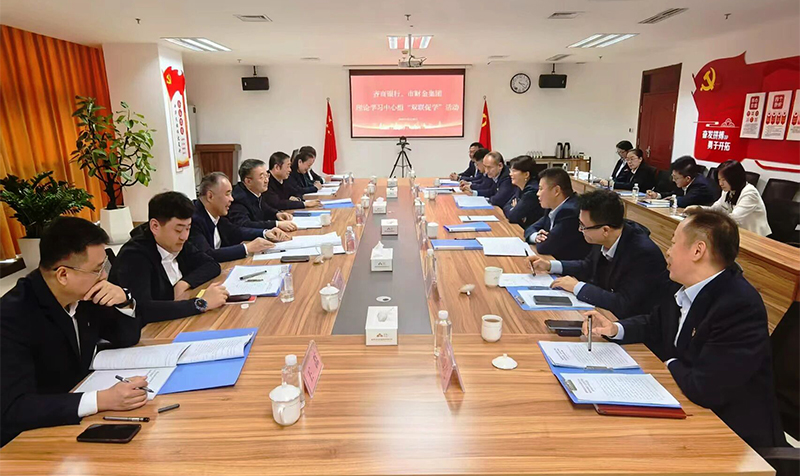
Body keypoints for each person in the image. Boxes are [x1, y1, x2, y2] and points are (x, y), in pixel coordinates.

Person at [583, 209, 784, 449]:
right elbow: (654, 324)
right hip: (686, 407)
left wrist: (669, 362)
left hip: (733, 436)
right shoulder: (679, 285)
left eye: (674, 242)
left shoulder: (738, 305)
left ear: (698, 251)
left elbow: (706, 388)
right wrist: (615, 328)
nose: (668, 251)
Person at [1, 217, 143, 446]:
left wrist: (124, 300)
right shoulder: (11, 317)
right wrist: (101, 400)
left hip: (80, 422)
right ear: (63, 275)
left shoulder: (83, 295)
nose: (104, 276)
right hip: (31, 440)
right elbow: (14, 408)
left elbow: (126, 336)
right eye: (97, 270)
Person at [528, 189, 670, 319]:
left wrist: (577, 287)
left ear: (605, 230)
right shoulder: (604, 237)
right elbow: (588, 266)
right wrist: (549, 265)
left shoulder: (643, 254)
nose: (579, 230)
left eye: (583, 226)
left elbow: (624, 303)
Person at [110, 192, 227, 325]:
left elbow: (211, 264)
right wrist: (201, 303)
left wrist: (184, 283)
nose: (184, 236)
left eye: (188, 228)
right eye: (178, 230)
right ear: (155, 226)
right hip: (149, 332)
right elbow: (143, 309)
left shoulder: (177, 243)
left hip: (175, 322)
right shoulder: (134, 256)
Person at [190, 172, 289, 262]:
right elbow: (207, 254)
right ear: (210, 196)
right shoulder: (192, 219)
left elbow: (236, 231)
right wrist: (247, 248)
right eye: (227, 194)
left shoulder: (218, 214)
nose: (232, 199)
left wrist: (265, 233)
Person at [524, 168, 592, 260]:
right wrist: (536, 236)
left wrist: (542, 239)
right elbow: (530, 228)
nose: (538, 193)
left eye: (541, 189)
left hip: (569, 266)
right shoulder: (552, 207)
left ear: (556, 191)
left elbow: (545, 247)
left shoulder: (570, 212)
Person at [693, 160, 771, 237]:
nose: (720, 183)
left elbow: (734, 219)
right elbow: (716, 208)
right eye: (719, 180)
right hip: (739, 232)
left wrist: (710, 218)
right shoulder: (728, 190)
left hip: (756, 236)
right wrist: (699, 209)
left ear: (734, 178)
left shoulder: (750, 193)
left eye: (724, 180)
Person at [230, 158, 298, 232]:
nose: (266, 180)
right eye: (262, 177)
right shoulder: (238, 199)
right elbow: (246, 224)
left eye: (267, 176)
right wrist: (276, 224)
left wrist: (277, 214)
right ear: (248, 181)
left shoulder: (255, 192)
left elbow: (264, 208)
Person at [646, 156, 715, 207]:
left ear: (687, 178)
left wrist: (668, 200)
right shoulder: (686, 182)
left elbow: (684, 202)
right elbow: (675, 194)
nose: (673, 180)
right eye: (673, 176)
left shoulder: (701, 186)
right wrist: (657, 195)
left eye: (676, 178)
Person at [502, 155, 545, 229]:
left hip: (532, 230)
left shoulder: (532, 191)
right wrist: (515, 210)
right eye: (510, 171)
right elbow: (506, 206)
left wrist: (515, 209)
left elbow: (513, 216)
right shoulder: (520, 187)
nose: (510, 174)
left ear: (526, 174)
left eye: (514, 171)